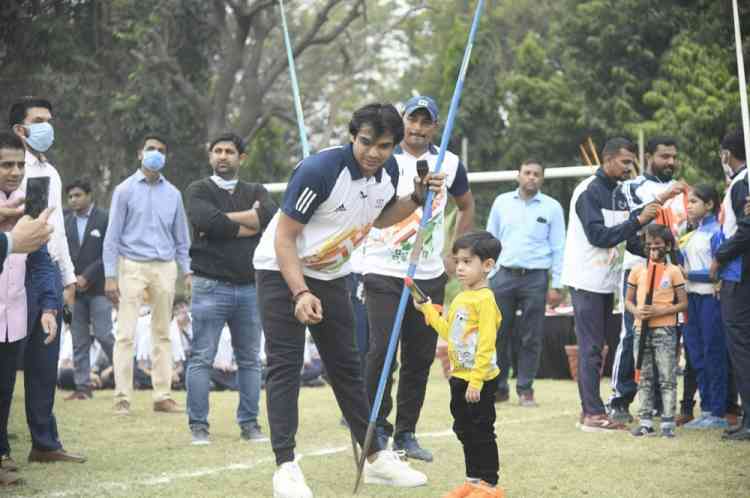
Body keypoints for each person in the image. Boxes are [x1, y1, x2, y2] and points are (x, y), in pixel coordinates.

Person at [253, 103, 443, 498]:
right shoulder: (319, 171)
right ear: (353, 136)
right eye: (366, 142)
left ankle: (374, 457)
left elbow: (379, 216)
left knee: (348, 367)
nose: (373, 153)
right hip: (281, 269)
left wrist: (416, 198)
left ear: (395, 145)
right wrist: (299, 292)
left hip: (331, 274)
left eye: (385, 145)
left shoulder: (389, 172)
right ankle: (285, 468)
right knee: (285, 366)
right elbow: (284, 238)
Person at [361, 96, 475, 460]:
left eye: (426, 122)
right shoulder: (384, 157)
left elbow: (466, 204)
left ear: (435, 126)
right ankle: (375, 427)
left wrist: (458, 253)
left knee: (419, 357)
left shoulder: (451, 162)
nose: (419, 128)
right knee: (381, 351)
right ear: (403, 120)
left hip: (428, 275)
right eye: (413, 119)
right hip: (383, 269)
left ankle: (406, 434)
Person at [561, 137, 659, 432]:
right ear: (607, 159)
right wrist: (639, 220)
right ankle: (591, 414)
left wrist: (657, 253)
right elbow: (599, 237)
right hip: (586, 281)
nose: (630, 168)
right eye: (625, 162)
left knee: (599, 348)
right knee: (591, 348)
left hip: (608, 281)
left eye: (631, 163)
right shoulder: (587, 191)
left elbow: (627, 240)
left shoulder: (619, 192)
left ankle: (592, 409)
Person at [184, 132, 276, 445]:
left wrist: (221, 223)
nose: (223, 156)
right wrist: (248, 222)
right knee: (202, 358)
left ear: (241, 158)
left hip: (251, 287)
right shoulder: (198, 189)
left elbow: (269, 217)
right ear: (210, 156)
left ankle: (250, 425)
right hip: (209, 286)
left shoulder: (256, 189)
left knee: (250, 359)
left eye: (230, 152)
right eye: (218, 151)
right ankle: (198, 426)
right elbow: (204, 221)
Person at [9, 98, 86, 464]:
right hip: (14, 268)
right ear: (19, 130)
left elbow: (55, 234)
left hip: (47, 269)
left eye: (49, 121)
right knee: (9, 362)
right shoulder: (11, 171)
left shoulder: (51, 173)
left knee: (44, 361)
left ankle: (44, 442)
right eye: (38, 121)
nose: (47, 128)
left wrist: (66, 277)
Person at [103, 134, 192, 416]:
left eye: (161, 150)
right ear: (140, 153)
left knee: (163, 333)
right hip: (131, 265)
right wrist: (109, 275)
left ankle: (162, 396)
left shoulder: (174, 194)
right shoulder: (124, 190)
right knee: (125, 334)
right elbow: (112, 237)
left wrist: (187, 270)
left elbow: (182, 238)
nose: (156, 153)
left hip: (165, 268)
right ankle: (122, 399)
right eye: (151, 149)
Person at [414, 231, 504, 498]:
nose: (460, 267)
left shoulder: (485, 300)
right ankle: (472, 479)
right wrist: (428, 310)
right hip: (459, 377)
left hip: (480, 380)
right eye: (457, 261)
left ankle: (489, 486)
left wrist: (477, 381)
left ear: (487, 265)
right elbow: (449, 332)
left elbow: (486, 343)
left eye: (467, 261)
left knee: (482, 431)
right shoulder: (461, 298)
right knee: (463, 429)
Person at [0, 131, 68, 487]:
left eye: (19, 165)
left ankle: (3, 455)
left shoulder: (30, 203)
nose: (14, 171)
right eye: (5, 164)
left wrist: (48, 306)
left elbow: (41, 260)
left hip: (13, 317)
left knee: (5, 388)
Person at [608, 136, 687, 423]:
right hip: (638, 269)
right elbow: (632, 228)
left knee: (664, 336)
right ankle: (620, 398)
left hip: (670, 273)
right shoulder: (632, 187)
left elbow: (682, 231)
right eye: (664, 156)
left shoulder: (681, 191)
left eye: (673, 157)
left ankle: (654, 402)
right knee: (632, 334)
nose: (670, 162)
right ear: (649, 156)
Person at [485, 159, 565, 406]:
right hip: (504, 275)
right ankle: (499, 388)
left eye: (536, 174)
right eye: (527, 173)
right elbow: (490, 240)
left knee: (531, 336)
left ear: (542, 178)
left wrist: (557, 284)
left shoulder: (552, 207)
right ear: (518, 175)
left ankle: (525, 388)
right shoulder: (501, 202)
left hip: (536, 278)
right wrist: (487, 276)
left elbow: (558, 247)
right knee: (498, 333)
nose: (531, 177)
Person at [626, 224, 687, 438]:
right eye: (649, 245)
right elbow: (628, 301)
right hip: (640, 329)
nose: (653, 250)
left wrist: (660, 311)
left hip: (665, 330)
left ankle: (668, 423)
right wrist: (637, 312)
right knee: (644, 377)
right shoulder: (637, 270)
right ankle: (645, 422)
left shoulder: (674, 271)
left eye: (658, 245)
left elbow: (683, 303)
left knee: (667, 377)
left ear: (668, 246)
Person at [678, 184, 730, 429]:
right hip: (691, 300)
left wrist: (689, 275)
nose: (689, 206)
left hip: (710, 299)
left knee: (713, 353)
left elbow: (717, 272)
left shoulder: (717, 233)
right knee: (696, 355)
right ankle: (707, 408)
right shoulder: (689, 234)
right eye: (688, 202)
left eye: (694, 202)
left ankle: (718, 411)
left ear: (709, 205)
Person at [713, 129, 750, 441]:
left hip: (739, 275)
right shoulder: (738, 183)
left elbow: (746, 230)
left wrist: (719, 257)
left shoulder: (743, 183)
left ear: (727, 153)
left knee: (741, 348)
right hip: (736, 275)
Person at [63, 179, 113, 400]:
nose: (74, 200)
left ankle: (125, 378)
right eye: (70, 196)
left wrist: (87, 276)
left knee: (104, 334)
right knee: (79, 340)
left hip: (99, 289)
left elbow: (109, 252)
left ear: (89, 195)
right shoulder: (65, 221)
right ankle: (83, 388)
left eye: (78, 195)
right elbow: (61, 253)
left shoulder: (104, 218)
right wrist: (71, 280)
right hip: (74, 290)